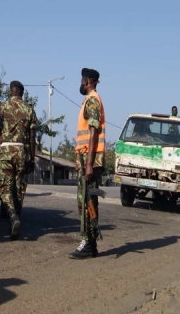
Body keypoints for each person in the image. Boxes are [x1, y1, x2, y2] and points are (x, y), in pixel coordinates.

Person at [0, 81, 37, 240]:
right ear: (22, 93)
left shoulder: (3, 107)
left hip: (6, 151)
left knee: (5, 187)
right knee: (19, 186)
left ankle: (13, 216)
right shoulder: (29, 109)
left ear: (11, 91)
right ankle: (16, 220)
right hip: (21, 151)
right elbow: (32, 136)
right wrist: (32, 158)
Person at [69, 68, 105, 260]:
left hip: (89, 160)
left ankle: (87, 242)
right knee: (89, 200)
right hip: (85, 159)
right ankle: (91, 243)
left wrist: (89, 163)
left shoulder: (92, 100)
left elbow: (93, 133)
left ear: (88, 82)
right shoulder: (90, 100)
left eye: (82, 80)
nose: (81, 83)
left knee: (86, 201)